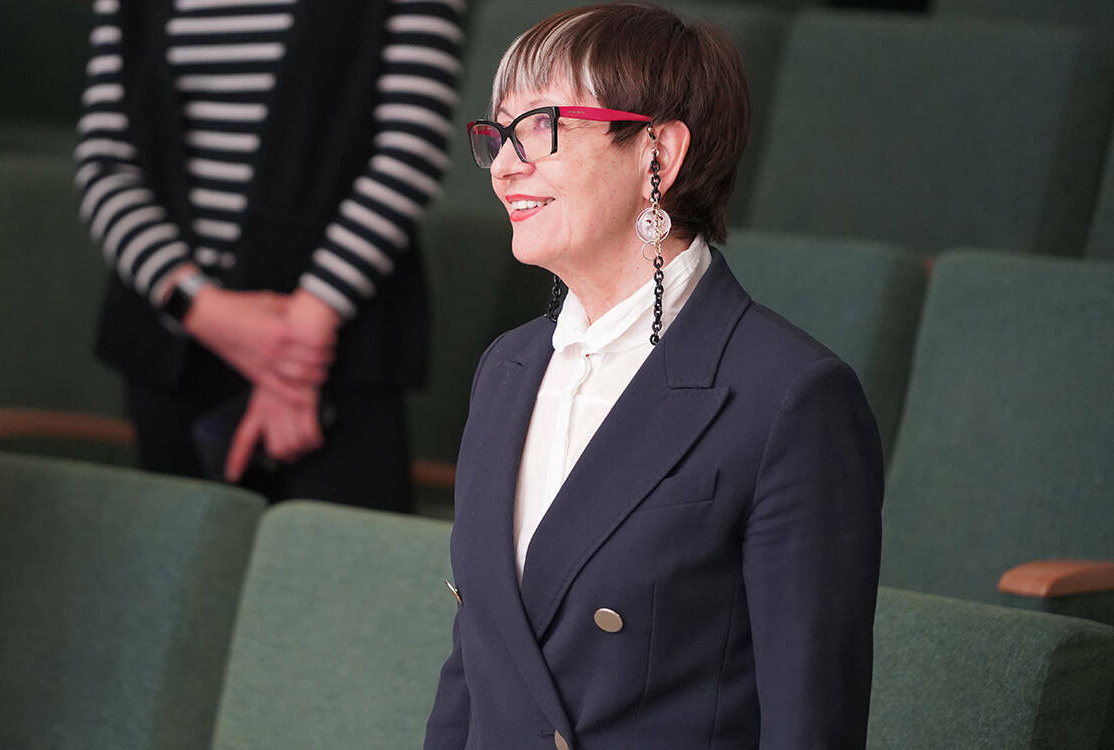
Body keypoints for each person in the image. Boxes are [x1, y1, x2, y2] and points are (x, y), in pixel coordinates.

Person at [424, 3, 883, 748]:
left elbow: (810, 722)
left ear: (658, 153)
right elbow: (476, 670)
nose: (505, 166)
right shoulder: (506, 367)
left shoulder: (791, 396)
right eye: (499, 134)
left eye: (539, 126)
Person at [74, 0, 466, 508]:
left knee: (338, 556)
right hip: (177, 347)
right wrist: (199, 306)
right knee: (188, 556)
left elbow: (410, 153)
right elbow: (105, 164)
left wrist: (300, 338)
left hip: (339, 344)